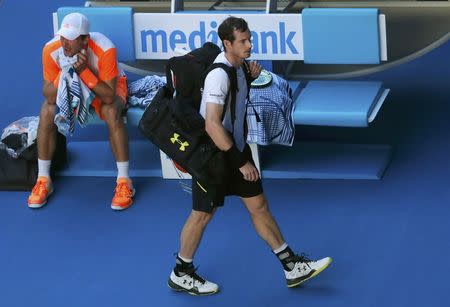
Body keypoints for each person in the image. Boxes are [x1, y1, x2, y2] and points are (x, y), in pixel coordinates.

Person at [167, 16, 332, 296]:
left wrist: (249, 78)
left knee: (259, 207)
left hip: (234, 149)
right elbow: (212, 125)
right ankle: (182, 272)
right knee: (202, 215)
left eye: (249, 39)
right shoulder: (218, 75)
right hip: (214, 157)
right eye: (242, 41)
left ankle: (290, 265)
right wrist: (241, 161)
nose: (249, 45)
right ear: (227, 43)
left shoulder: (242, 68)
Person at [27, 13, 134, 210]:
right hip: (70, 86)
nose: (64, 44)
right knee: (47, 111)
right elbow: (49, 95)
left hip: (106, 87)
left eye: (70, 39)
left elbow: (109, 96)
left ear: (85, 39)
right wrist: (65, 72)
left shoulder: (105, 47)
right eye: (62, 37)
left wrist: (84, 71)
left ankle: (124, 181)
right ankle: (44, 180)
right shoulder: (51, 50)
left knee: (111, 111)